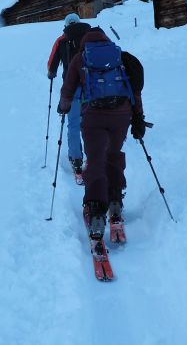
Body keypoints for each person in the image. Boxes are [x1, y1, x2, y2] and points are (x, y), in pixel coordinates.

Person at [57, 27, 145, 239]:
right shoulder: (119, 56)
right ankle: (115, 201)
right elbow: (134, 90)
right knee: (113, 155)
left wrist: (63, 107)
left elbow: (68, 89)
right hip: (121, 115)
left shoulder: (81, 58)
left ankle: (96, 211)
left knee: (96, 160)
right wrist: (138, 118)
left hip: (94, 116)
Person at [46, 13, 91, 177]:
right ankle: (93, 157)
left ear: (66, 25)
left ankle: (76, 160)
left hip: (71, 88)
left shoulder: (62, 40)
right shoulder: (89, 36)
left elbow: (51, 65)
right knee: (90, 123)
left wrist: (51, 73)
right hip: (91, 87)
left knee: (73, 124)